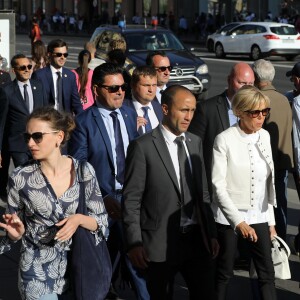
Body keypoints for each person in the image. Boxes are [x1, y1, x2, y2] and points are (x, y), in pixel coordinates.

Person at [0, 106, 108, 300]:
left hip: (78, 268)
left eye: (38, 136)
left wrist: (78, 219)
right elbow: (12, 229)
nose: (31, 143)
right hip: (35, 272)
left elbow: (101, 222)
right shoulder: (20, 177)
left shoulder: (84, 171)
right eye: (28, 137)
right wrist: (16, 235)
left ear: (59, 137)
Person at [122, 85, 219, 300]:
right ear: (165, 109)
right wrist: (134, 242)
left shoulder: (195, 142)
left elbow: (203, 192)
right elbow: (132, 200)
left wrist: (210, 233)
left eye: (193, 110)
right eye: (184, 110)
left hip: (196, 240)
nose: (189, 117)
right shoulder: (143, 146)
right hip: (159, 244)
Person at [68, 63, 146, 300]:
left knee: (139, 263)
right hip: (100, 203)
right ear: (96, 89)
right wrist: (103, 197)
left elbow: (137, 156)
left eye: (123, 87)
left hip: (131, 200)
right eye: (113, 88)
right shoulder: (84, 121)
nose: (120, 92)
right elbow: (80, 166)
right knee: (100, 266)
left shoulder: (130, 114)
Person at [211, 85, 277, 300]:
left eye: (264, 111)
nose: (261, 117)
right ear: (239, 111)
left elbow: (267, 183)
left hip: (259, 214)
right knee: (224, 273)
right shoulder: (224, 139)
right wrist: (238, 222)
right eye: (255, 112)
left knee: (267, 272)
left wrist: (271, 222)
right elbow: (218, 185)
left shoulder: (265, 136)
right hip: (229, 217)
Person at [189, 62, 255, 196]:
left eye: (251, 84)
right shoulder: (207, 109)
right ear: (229, 80)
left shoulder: (257, 111)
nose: (247, 89)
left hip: (245, 187)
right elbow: (194, 150)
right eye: (242, 83)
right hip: (217, 186)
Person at [253, 59, 293, 241]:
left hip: (266, 162)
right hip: (283, 160)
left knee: (265, 206)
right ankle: (282, 240)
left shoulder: (260, 100)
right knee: (281, 203)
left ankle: (270, 241)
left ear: (255, 76)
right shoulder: (284, 99)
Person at [0, 54, 45, 168]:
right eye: (22, 67)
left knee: (38, 177)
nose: (27, 70)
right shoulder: (6, 91)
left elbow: (45, 114)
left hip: (38, 142)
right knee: (25, 176)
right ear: (14, 70)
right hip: (18, 145)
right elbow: (1, 123)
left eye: (29, 67)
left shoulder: (39, 86)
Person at [32, 39, 83, 115]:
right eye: (59, 54)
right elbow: (36, 103)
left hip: (65, 121)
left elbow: (76, 103)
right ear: (49, 54)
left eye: (65, 55)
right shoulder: (39, 75)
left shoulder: (70, 76)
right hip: (48, 120)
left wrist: (84, 121)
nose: (62, 57)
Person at [123, 65, 163, 135]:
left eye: (154, 85)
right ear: (133, 85)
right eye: (146, 85)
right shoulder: (122, 109)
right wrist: (131, 129)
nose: (151, 90)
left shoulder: (160, 108)